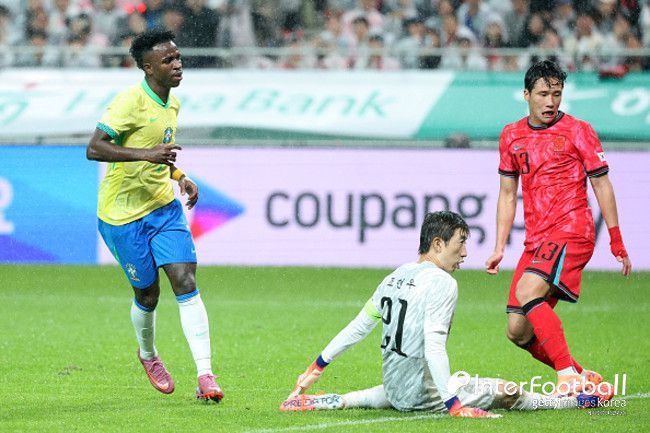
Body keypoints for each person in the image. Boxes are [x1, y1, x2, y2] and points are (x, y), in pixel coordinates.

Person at [281, 212, 612, 415]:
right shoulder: (442, 283)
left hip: (396, 386)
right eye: (460, 243)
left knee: (408, 388)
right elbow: (434, 346)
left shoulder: (396, 275)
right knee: (510, 392)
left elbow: (358, 327)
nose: (465, 253)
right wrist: (455, 406)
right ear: (438, 244)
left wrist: (316, 367)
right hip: (420, 394)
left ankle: (332, 400)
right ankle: (576, 402)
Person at [86, 29, 223, 403]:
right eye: (168, 60)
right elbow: (94, 148)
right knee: (148, 294)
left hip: (163, 208)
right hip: (122, 216)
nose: (177, 65)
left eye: (178, 58)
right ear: (148, 67)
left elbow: (159, 153)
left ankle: (206, 375)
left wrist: (180, 176)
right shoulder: (128, 102)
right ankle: (148, 354)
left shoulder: (172, 103)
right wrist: (146, 156)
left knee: (185, 279)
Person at [485, 60, 632, 395]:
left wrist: (616, 239)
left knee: (528, 291)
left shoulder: (579, 130)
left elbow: (602, 184)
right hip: (537, 240)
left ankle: (567, 378)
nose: (550, 102)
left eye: (557, 94)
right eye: (543, 94)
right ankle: (585, 377)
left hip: (572, 229)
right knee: (517, 331)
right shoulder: (511, 135)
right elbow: (507, 193)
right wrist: (499, 246)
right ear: (526, 95)